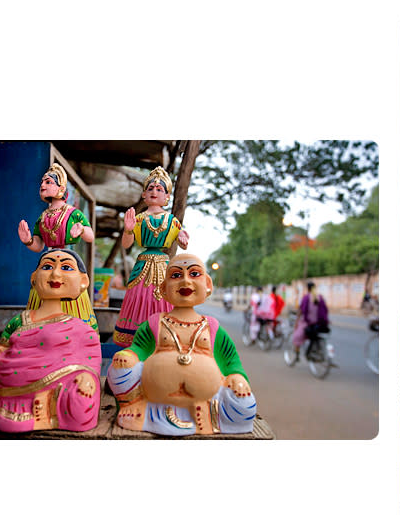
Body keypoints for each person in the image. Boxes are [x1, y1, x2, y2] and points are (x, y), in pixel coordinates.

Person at [106, 253, 256, 436]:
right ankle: (137, 406)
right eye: (176, 275)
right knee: (119, 369)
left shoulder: (212, 327)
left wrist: (236, 376)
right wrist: (129, 356)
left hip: (207, 404)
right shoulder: (154, 323)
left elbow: (230, 359)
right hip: (155, 397)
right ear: (163, 289)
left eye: (194, 274)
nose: (185, 281)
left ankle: (212, 419)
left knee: (245, 405)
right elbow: (138, 348)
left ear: (208, 285)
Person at [0, 249, 102, 432]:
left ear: (83, 281)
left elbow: (91, 362)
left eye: (66, 267)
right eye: (47, 266)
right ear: (34, 278)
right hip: (7, 382)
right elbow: (2, 346)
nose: (55, 274)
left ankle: (48, 410)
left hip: (54, 390)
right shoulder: (20, 320)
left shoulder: (81, 328)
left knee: (83, 398)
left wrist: (87, 378)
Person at [112, 166, 190, 346]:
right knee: (139, 298)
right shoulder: (138, 218)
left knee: (164, 298)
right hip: (142, 266)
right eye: (150, 188)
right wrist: (128, 229)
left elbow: (182, 241)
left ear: (167, 196)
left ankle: (165, 334)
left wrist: (182, 238)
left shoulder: (172, 221)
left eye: (159, 189)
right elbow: (126, 244)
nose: (154, 192)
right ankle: (137, 338)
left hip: (163, 266)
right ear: (143, 195)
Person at [17, 163, 98, 329]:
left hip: (69, 260)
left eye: (48, 182)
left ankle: (75, 330)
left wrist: (81, 229)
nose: (42, 186)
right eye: (42, 182)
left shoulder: (73, 213)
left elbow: (90, 237)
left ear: (61, 187)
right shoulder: (43, 217)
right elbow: (38, 245)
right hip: (48, 259)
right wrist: (28, 241)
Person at [291, 282, 329, 360]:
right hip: (320, 324)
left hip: (308, 324)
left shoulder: (306, 297)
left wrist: (296, 322)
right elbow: (325, 310)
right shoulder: (320, 297)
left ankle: (297, 355)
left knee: (296, 337)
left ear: (307, 289)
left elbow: (301, 311)